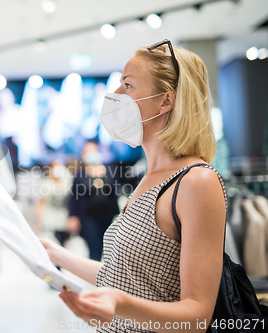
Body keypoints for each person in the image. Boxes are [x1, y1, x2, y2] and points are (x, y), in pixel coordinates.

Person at [41, 40, 226, 333]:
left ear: (166, 101)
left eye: (127, 86)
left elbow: (198, 316)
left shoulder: (196, 182)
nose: (114, 96)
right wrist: (54, 254)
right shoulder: (149, 178)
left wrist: (120, 305)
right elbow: (125, 277)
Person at [68, 142, 120, 261]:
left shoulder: (109, 171)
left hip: (109, 217)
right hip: (89, 218)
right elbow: (74, 197)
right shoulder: (80, 175)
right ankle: (94, 277)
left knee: (110, 251)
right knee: (94, 250)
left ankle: (109, 278)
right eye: (88, 152)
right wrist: (72, 216)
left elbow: (115, 192)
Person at [36, 159, 72, 246]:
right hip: (49, 222)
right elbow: (41, 203)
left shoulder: (68, 184)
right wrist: (39, 221)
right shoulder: (46, 184)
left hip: (64, 222)